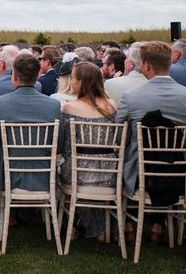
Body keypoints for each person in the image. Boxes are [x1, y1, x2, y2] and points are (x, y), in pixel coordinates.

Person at [115, 41, 186, 243]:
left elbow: (117, 131)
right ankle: (158, 225)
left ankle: (128, 226)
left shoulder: (131, 97)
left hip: (139, 174)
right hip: (180, 174)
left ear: (146, 65)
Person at [0, 54, 63, 193]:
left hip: (7, 177)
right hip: (44, 176)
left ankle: (14, 213)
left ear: (14, 77)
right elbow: (59, 146)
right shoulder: (53, 105)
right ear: (37, 78)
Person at [60, 62, 117, 240]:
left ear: (81, 82)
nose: (71, 83)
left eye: (74, 79)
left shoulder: (70, 107)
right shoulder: (113, 105)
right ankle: (100, 228)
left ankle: (79, 226)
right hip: (110, 171)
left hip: (79, 172)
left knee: (62, 172)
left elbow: (67, 147)